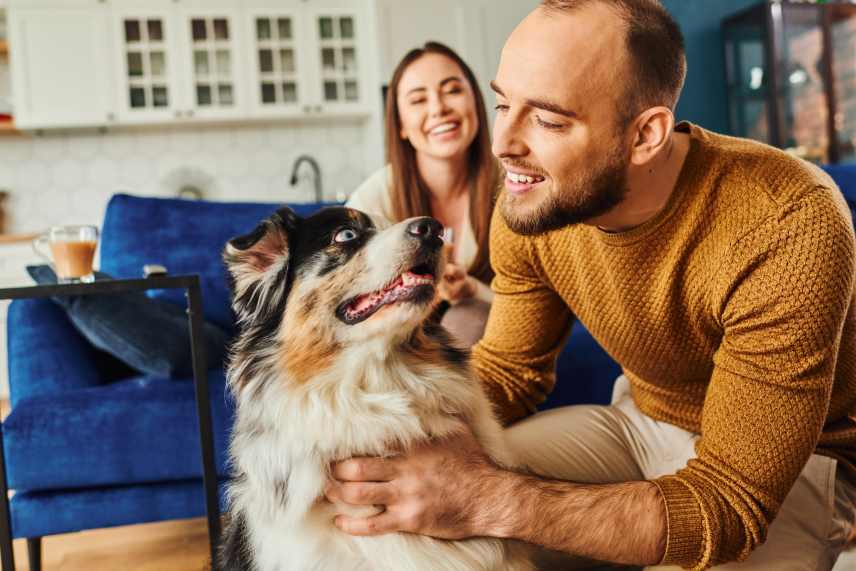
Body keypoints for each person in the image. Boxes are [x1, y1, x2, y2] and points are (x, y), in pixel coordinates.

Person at [325, 1, 856, 570]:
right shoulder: (532, 203)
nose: (504, 142)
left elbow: (725, 505)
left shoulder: (786, 221)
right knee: (408, 510)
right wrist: (388, 445)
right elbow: (509, 372)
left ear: (645, 134)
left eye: (548, 120)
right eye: (504, 103)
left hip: (796, 465)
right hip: (638, 424)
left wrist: (486, 498)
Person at [347, 42, 501, 347]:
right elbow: (346, 294)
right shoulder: (374, 198)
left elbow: (543, 302)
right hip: (398, 338)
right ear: (401, 125)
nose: (438, 108)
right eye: (418, 100)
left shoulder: (512, 183)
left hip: (492, 332)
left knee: (467, 315)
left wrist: (471, 290)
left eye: (453, 90)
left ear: (476, 103)